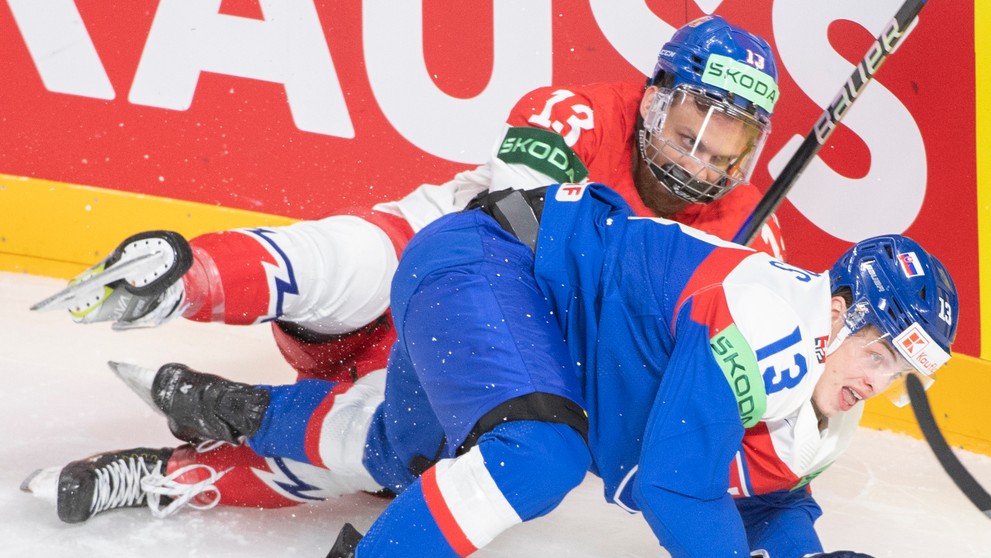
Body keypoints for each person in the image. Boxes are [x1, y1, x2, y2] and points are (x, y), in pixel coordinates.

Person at [25, 16, 788, 514]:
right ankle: (179, 278)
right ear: (655, 100)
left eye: (731, 146)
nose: (703, 163)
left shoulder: (751, 239)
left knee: (376, 464)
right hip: (439, 274)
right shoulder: (577, 112)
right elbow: (518, 223)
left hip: (480, 351)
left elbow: (749, 387)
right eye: (691, 131)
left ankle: (179, 463)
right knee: (358, 258)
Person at [32, 182, 957, 557]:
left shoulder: (819, 400)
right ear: (836, 307)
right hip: (492, 267)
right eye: (877, 348)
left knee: (391, 457)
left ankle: (224, 407)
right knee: (540, 455)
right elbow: (678, 491)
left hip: (521, 327)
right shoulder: (769, 320)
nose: (876, 378)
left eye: (899, 368)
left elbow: (773, 496)